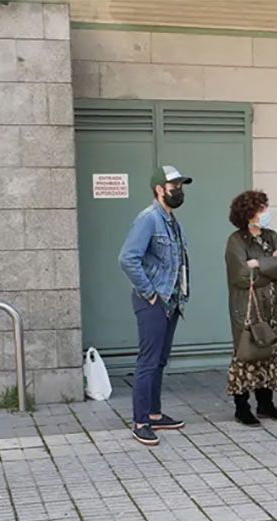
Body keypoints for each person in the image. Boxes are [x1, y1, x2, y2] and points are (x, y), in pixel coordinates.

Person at [118, 165, 192, 447]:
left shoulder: (172, 221)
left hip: (171, 301)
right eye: (174, 187)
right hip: (154, 301)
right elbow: (127, 258)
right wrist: (149, 293)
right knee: (148, 361)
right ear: (159, 189)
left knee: (159, 360)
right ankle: (140, 422)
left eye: (181, 187)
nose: (179, 191)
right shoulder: (148, 219)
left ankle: (155, 414)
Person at [224, 190, 277, 425]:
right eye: (261, 209)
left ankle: (266, 404)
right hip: (248, 307)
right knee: (247, 354)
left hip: (273, 307)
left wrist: (259, 263)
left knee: (270, 354)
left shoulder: (272, 236)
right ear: (248, 213)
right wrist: (270, 266)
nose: (265, 213)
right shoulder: (236, 241)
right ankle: (241, 406)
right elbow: (242, 275)